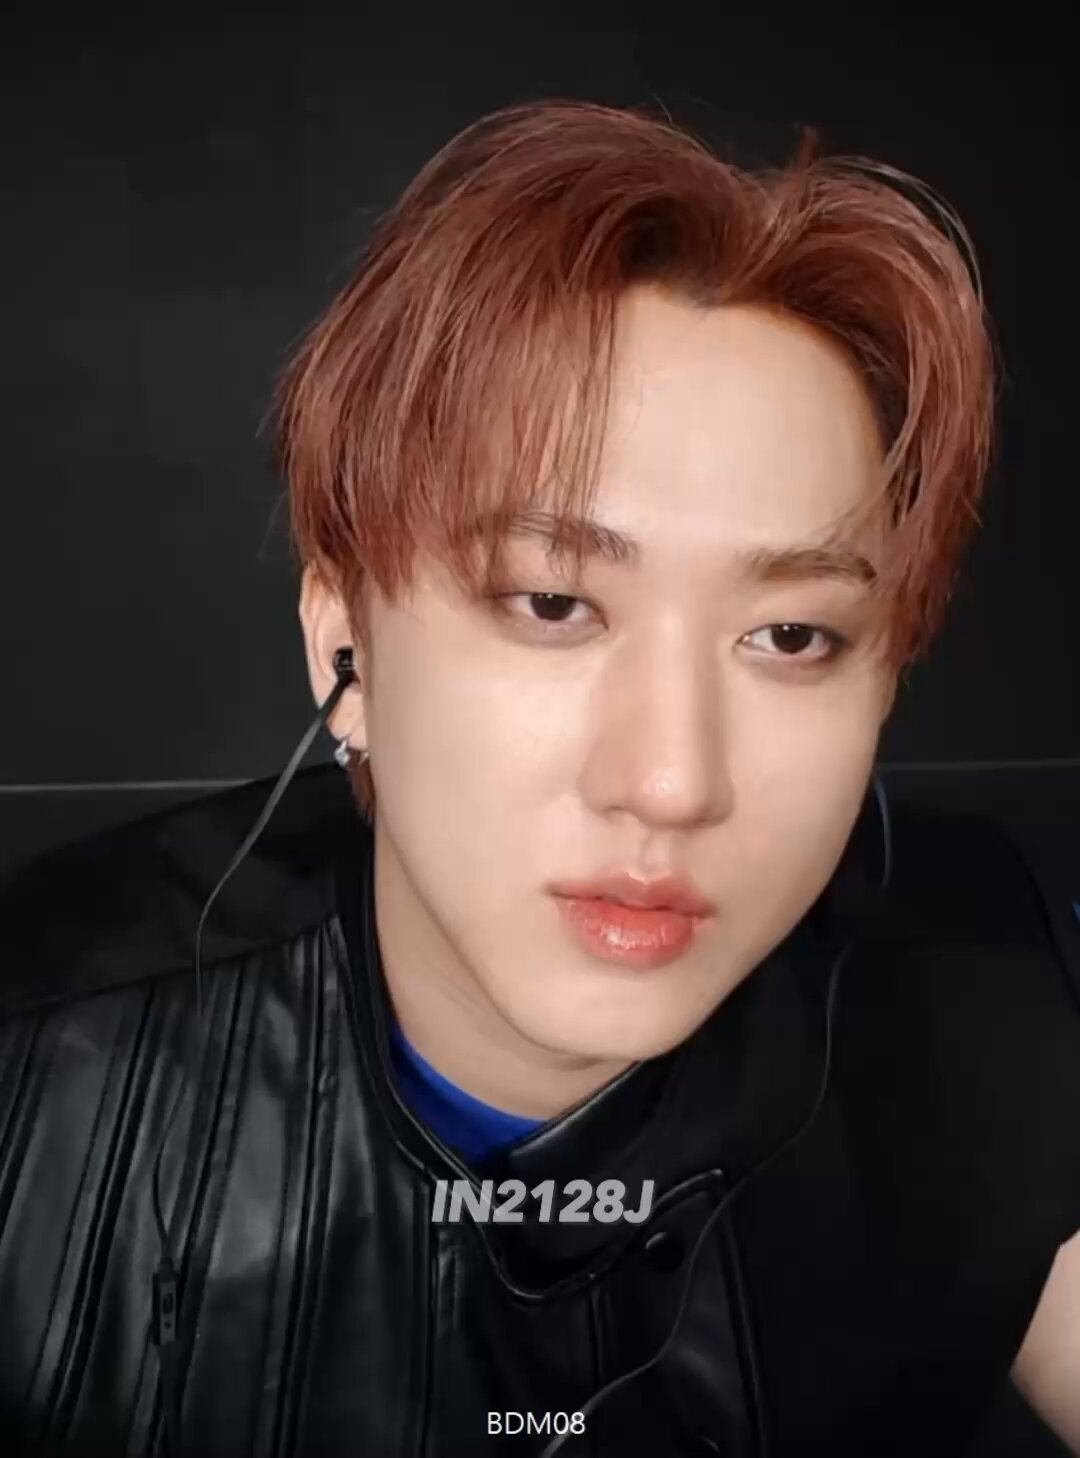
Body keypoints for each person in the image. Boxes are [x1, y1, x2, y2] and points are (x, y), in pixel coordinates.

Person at [0, 99, 1077, 1458]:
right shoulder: (41, 1070)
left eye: (793, 636)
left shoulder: (976, 1008)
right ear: (345, 645)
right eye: (553, 603)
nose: (673, 783)